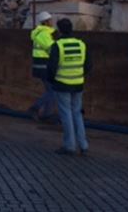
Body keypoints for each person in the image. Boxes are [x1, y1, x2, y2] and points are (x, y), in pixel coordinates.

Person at [47, 18, 91, 155]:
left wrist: (53, 80)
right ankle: (83, 145)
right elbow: (89, 65)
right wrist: (79, 75)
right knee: (77, 113)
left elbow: (52, 67)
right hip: (78, 84)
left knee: (66, 114)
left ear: (59, 30)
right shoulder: (81, 44)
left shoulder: (58, 45)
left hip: (62, 84)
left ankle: (69, 146)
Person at [28, 11, 56, 121]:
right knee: (52, 91)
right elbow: (52, 50)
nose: (52, 22)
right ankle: (36, 108)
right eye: (50, 20)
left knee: (50, 91)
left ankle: (47, 114)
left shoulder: (38, 34)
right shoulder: (45, 34)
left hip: (39, 66)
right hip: (45, 66)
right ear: (47, 22)